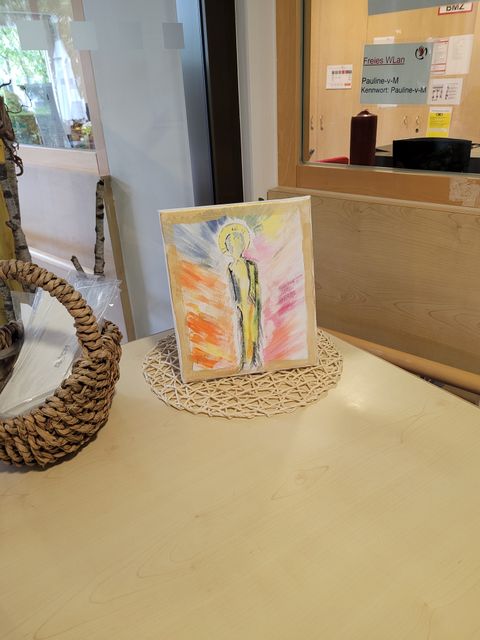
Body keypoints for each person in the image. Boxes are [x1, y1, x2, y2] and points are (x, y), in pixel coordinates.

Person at [218, 222, 260, 369]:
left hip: (251, 302)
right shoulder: (230, 267)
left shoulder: (251, 265)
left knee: (253, 329)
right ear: (228, 249)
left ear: (242, 246)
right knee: (243, 329)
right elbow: (232, 287)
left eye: (237, 244)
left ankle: (253, 358)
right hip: (241, 304)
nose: (235, 248)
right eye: (231, 246)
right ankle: (245, 359)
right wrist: (236, 302)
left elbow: (254, 282)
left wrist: (252, 293)